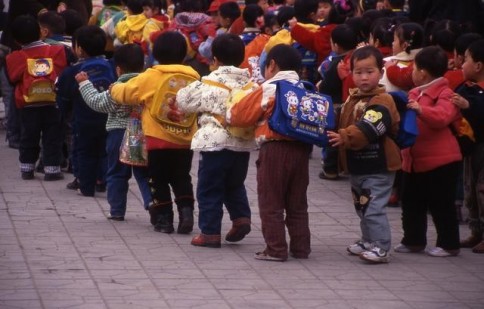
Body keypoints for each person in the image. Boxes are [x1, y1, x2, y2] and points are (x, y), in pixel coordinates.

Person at [227, 44, 312, 262]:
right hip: (302, 150)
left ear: (272, 65)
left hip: (274, 148)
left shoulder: (271, 87)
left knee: (271, 200)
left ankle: (275, 249)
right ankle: (301, 248)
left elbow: (238, 115)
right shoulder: (306, 87)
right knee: (297, 202)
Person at [110, 31, 200, 234]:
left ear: (156, 53)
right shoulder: (194, 76)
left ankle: (164, 220)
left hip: (158, 140)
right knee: (182, 177)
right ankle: (186, 212)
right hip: (185, 139)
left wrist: (114, 88)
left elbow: (128, 92)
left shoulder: (152, 75)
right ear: (184, 54)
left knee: (157, 180)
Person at [176, 34, 256, 248]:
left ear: (214, 59)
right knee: (234, 184)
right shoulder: (250, 86)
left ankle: (210, 232)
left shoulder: (209, 82)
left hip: (215, 145)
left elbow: (183, 101)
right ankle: (241, 218)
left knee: (209, 188)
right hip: (241, 144)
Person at [326, 46, 400, 263]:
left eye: (370, 71)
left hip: (379, 165)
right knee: (362, 205)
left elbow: (369, 127)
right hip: (358, 164)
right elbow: (341, 119)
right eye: (358, 72)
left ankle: (381, 246)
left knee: (374, 207)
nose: (364, 77)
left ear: (381, 72)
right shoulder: (353, 98)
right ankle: (368, 240)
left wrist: (345, 136)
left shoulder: (382, 100)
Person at [394, 46, 462, 257]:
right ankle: (413, 240)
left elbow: (442, 117)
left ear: (422, 71)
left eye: (414, 68)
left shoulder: (446, 93)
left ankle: (449, 244)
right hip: (414, 161)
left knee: (442, 204)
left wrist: (421, 110)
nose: (412, 73)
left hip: (442, 161)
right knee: (411, 202)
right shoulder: (415, 93)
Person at [75, 43, 152, 221]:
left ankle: (117, 211)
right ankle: (151, 202)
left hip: (118, 133)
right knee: (144, 172)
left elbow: (97, 102)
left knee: (117, 172)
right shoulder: (148, 87)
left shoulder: (116, 88)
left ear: (118, 70)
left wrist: (84, 83)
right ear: (144, 66)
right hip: (142, 134)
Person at [5, 14, 69, 180]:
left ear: (17, 40)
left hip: (28, 104)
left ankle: (27, 169)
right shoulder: (57, 51)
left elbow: (12, 79)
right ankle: (52, 170)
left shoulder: (15, 57)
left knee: (28, 135)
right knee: (52, 136)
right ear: (41, 32)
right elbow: (62, 74)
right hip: (52, 102)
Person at [56, 25, 115, 196]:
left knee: (84, 152)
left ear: (79, 49)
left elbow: (63, 97)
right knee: (105, 151)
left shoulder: (72, 71)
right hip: (108, 119)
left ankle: (85, 185)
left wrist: (65, 112)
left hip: (82, 121)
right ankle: (102, 180)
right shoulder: (111, 65)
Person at [452, 39, 484, 253]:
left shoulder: (479, 93)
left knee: (482, 189)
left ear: (478, 66)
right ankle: (476, 230)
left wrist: (468, 106)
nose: (461, 64)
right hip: (469, 147)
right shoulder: (465, 86)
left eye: (466, 60)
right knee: (470, 188)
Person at [381, 22, 424, 92]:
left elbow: (402, 78)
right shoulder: (425, 59)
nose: (392, 43)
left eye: (394, 40)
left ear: (404, 45)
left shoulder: (418, 64)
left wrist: (390, 68)